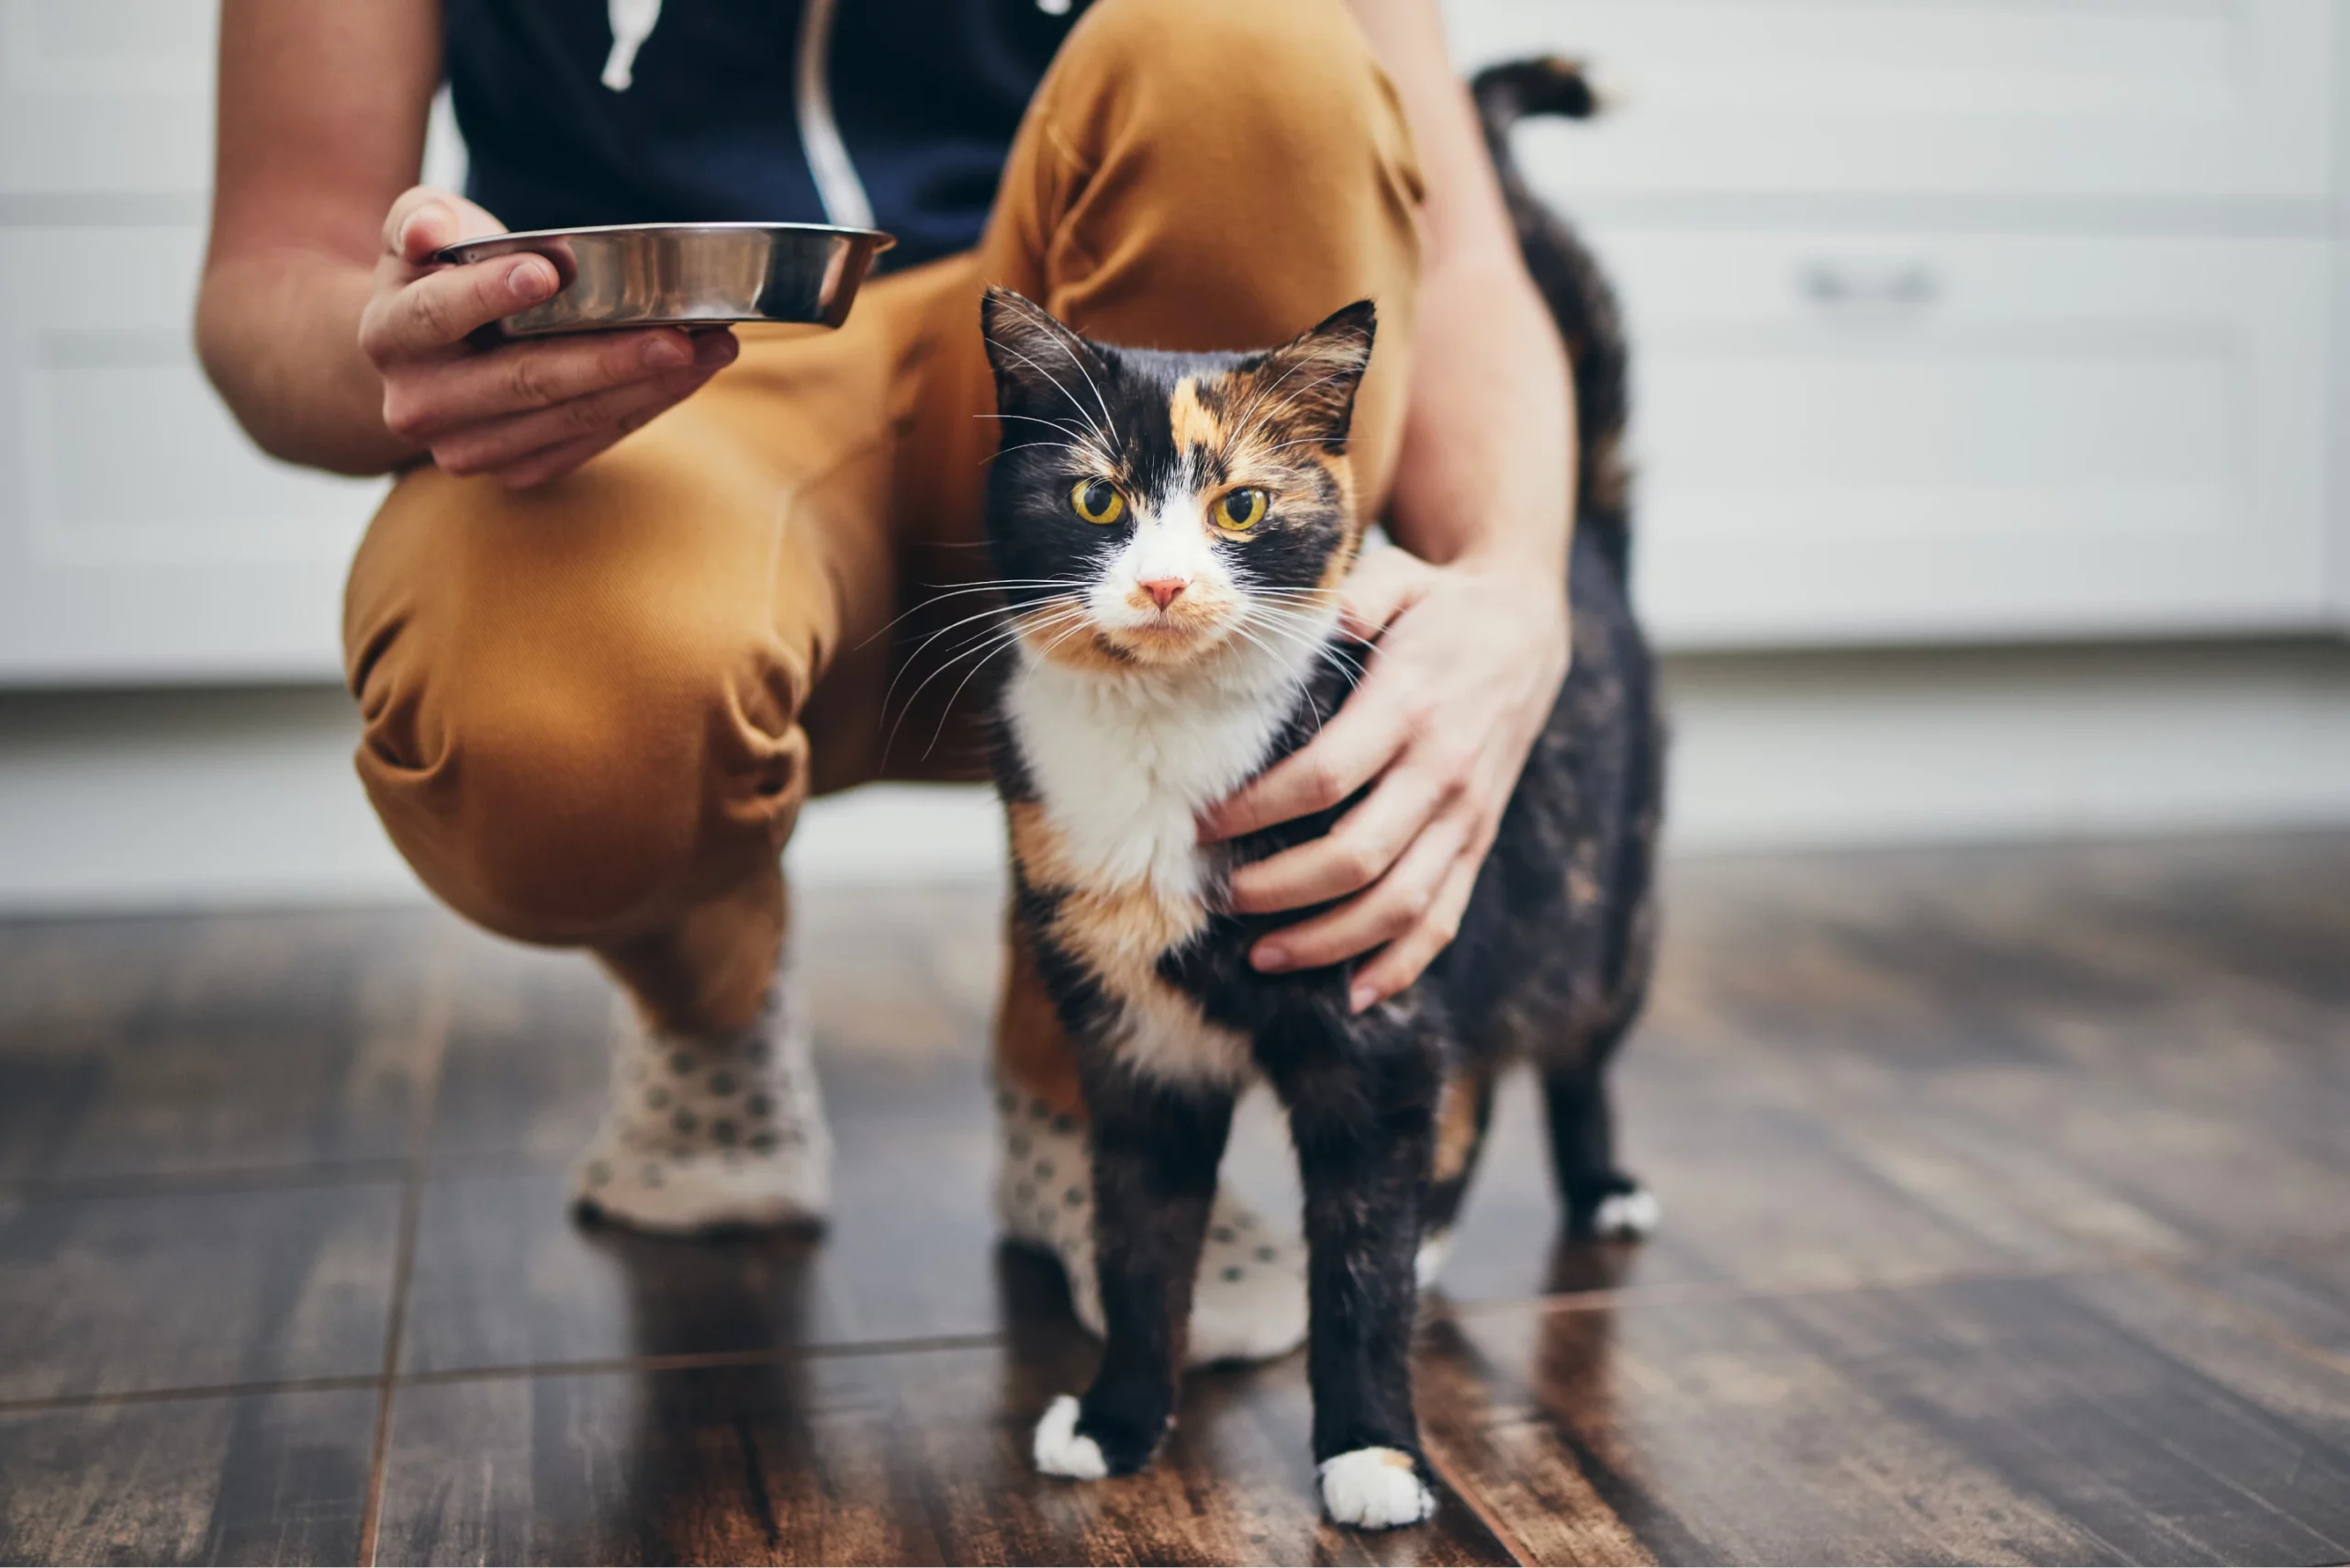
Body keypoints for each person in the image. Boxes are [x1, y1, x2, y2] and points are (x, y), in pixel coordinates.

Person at [198, 0, 1574, 1362]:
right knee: (551, 743)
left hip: (1094, 356)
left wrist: (1517, 584)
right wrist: (404, 344)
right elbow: (275, 270)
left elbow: (1452, 258)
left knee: (1255, 44)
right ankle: (706, 999)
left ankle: (1095, 1085)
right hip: (651, 378)